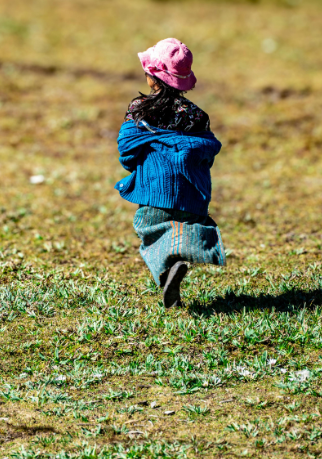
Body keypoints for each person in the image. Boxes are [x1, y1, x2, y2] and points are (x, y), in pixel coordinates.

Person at [115, 38, 226, 308]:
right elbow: (204, 153)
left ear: (153, 79)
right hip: (189, 189)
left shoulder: (139, 109)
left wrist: (137, 165)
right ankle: (179, 259)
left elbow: (127, 149)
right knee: (185, 224)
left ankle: (166, 274)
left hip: (155, 187)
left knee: (150, 230)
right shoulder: (197, 116)